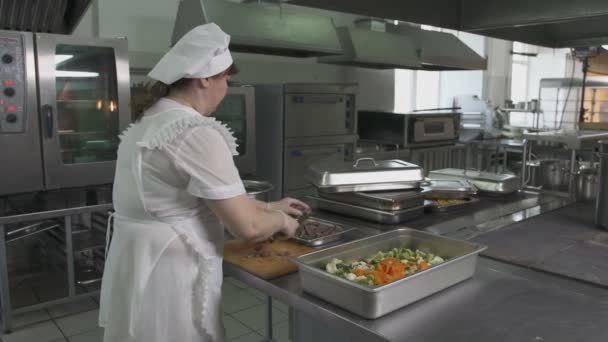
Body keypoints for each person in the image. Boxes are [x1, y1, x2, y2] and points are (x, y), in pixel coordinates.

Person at [98, 23, 310, 342]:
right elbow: (248, 228)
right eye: (226, 79)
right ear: (205, 78)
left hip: (143, 263)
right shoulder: (193, 132)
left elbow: (189, 198)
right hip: (171, 271)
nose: (225, 88)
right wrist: (281, 220)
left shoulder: (151, 120)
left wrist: (267, 205)